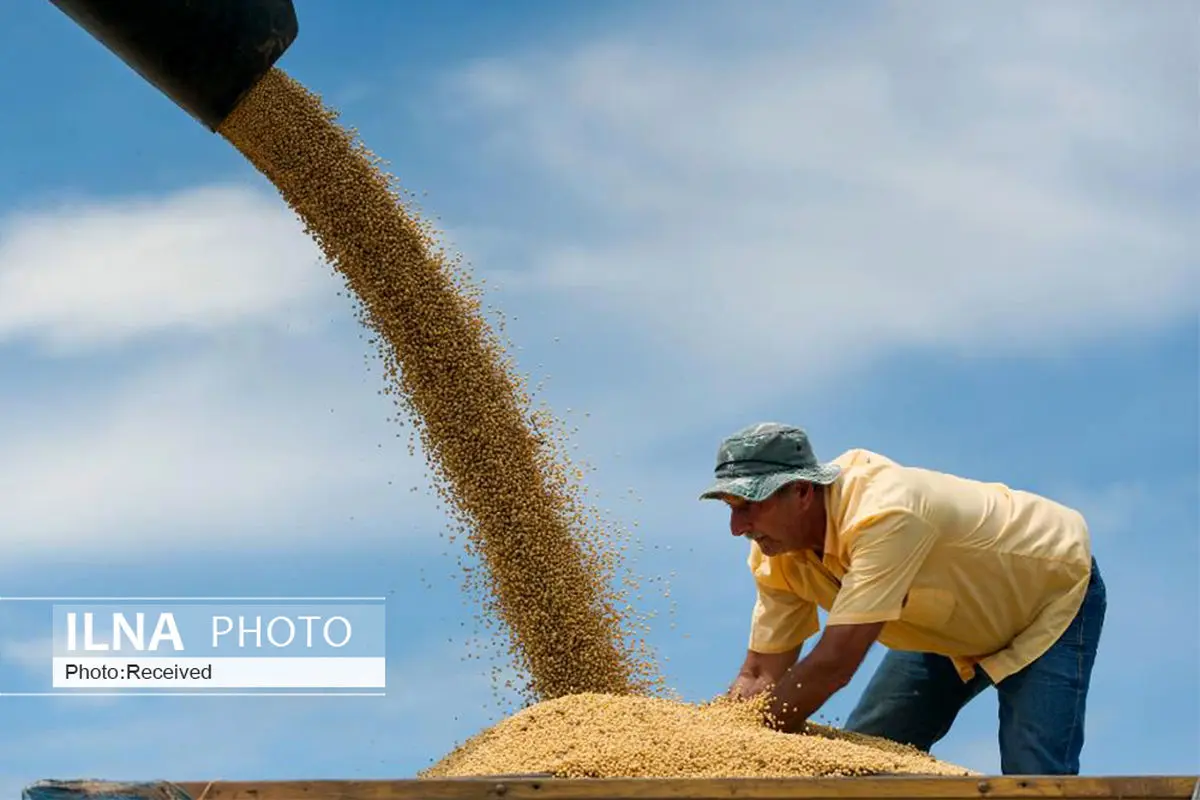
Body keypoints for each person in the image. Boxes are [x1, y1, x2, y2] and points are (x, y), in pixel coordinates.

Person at [700, 422, 1105, 776]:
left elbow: (834, 664)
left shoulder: (884, 513)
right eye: (731, 509)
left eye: (749, 506)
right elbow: (759, 676)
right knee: (862, 762)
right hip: (945, 629)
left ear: (802, 491)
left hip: (1047, 596)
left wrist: (751, 742)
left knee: (1032, 777)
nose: (738, 528)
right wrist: (720, 737)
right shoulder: (777, 554)